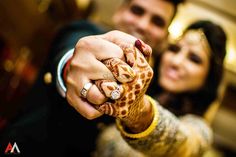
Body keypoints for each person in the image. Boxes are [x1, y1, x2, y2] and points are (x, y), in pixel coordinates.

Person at [0, 0, 185, 156]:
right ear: (119, 12)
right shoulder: (83, 30)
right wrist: (71, 65)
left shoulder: (153, 88)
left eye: (158, 22)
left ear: (166, 35)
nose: (143, 25)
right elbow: (71, 51)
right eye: (137, 11)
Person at [68, 20, 226, 157]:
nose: (176, 62)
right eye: (174, 49)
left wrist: (139, 110)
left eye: (194, 59)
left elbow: (180, 143)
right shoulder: (127, 88)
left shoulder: (200, 130)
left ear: (208, 78)